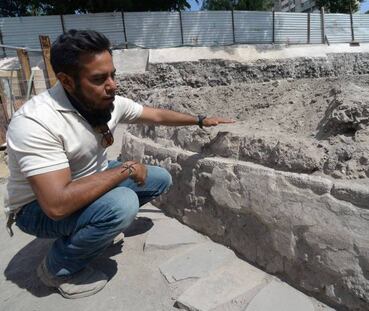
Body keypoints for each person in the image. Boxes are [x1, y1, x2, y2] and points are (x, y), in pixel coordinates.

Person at [4, 29, 234, 299]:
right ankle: (59, 268)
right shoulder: (36, 122)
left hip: (84, 182)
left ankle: (95, 227)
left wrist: (199, 119)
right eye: (99, 79)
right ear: (67, 81)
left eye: (113, 74)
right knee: (122, 204)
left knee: (159, 178)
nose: (112, 85)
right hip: (36, 209)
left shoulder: (105, 101)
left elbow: (156, 115)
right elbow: (56, 205)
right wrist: (124, 169)